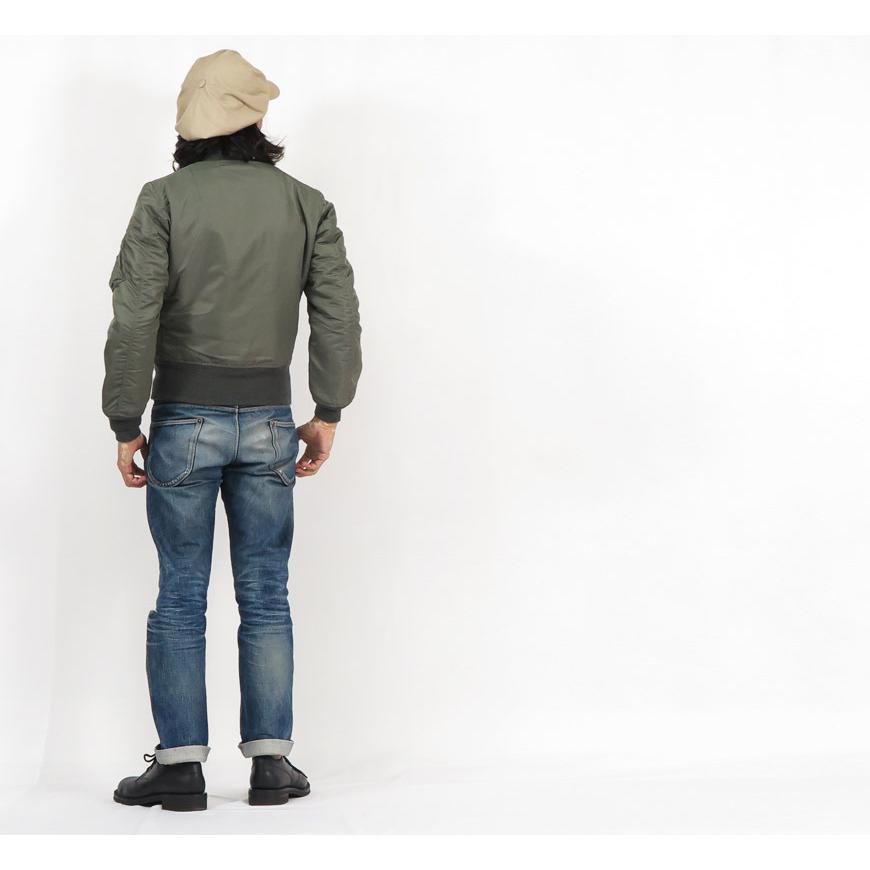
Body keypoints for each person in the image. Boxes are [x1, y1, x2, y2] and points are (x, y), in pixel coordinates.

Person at [103, 49, 362, 811]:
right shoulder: (305, 203)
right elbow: (338, 317)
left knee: (181, 595)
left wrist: (125, 419)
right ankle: (272, 765)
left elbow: (134, 318)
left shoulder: (163, 200)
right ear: (257, 121)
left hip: (183, 420)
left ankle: (180, 767)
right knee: (267, 594)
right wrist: (327, 412)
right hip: (273, 424)